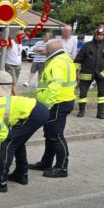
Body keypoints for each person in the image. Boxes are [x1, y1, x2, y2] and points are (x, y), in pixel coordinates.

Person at [28, 40, 77, 178]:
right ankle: (46, 162)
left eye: (45, 50)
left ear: (49, 51)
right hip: (61, 101)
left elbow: (55, 86)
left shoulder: (56, 62)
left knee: (55, 135)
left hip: (57, 102)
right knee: (50, 133)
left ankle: (62, 167)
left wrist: (46, 105)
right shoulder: (65, 59)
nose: (44, 52)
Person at [75, 24, 104, 119]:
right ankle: (81, 111)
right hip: (86, 73)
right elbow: (78, 60)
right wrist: (77, 73)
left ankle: (100, 113)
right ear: (95, 34)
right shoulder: (87, 45)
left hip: (102, 73)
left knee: (102, 94)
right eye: (98, 34)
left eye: (102, 35)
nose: (100, 36)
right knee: (82, 93)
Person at [4, 30, 25, 95]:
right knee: (13, 83)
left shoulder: (20, 43)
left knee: (13, 83)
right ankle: (17, 98)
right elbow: (1, 45)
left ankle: (8, 96)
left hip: (18, 66)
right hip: (10, 65)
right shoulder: (11, 42)